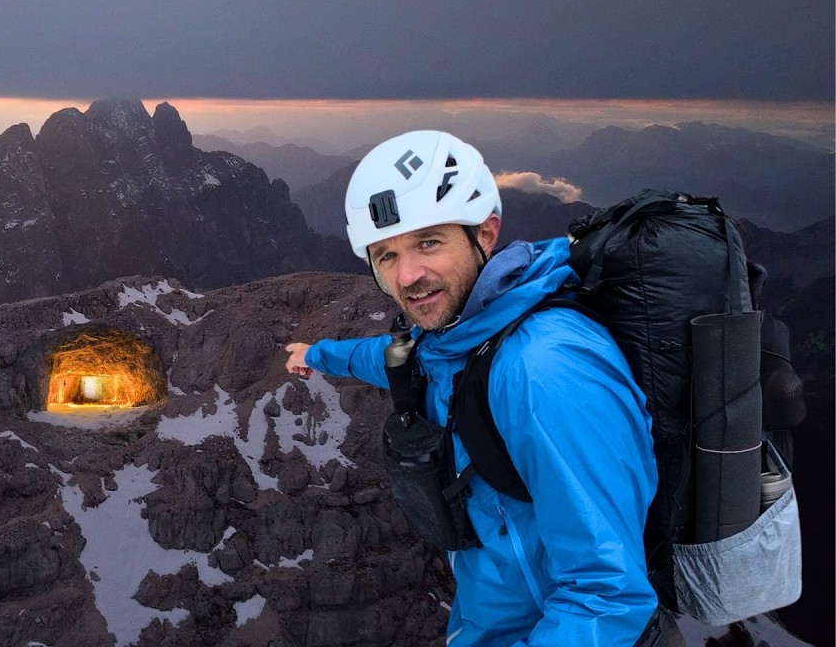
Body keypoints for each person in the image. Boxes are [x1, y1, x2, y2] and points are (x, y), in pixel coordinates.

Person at [284, 131, 681, 646]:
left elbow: (606, 596)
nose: (408, 275)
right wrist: (317, 354)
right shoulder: (457, 338)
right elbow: (400, 361)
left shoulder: (543, 371)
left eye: (429, 242)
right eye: (385, 256)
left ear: (486, 234)